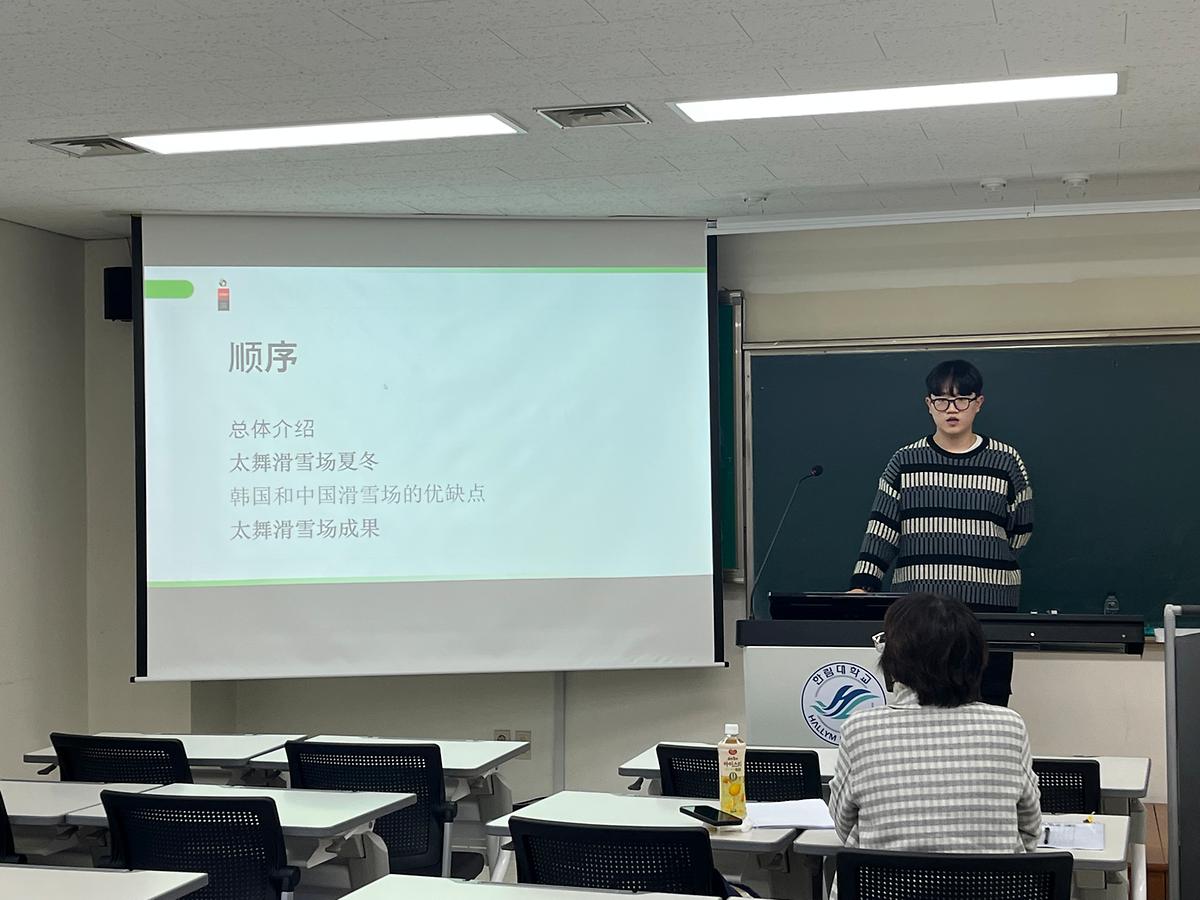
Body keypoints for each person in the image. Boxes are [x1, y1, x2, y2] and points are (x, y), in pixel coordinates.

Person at [827, 593, 1041, 897]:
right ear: (976, 659)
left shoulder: (859, 729)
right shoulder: (1009, 726)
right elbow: (1030, 829)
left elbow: (842, 825)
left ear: (894, 659)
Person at [849, 358, 1033, 705]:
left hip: (989, 611)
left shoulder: (1006, 461)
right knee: (916, 703)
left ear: (978, 403)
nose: (952, 409)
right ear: (928, 404)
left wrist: (983, 560)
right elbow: (882, 529)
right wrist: (863, 586)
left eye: (962, 399)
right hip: (918, 613)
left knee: (988, 703)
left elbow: (1020, 530)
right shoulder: (905, 461)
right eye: (942, 400)